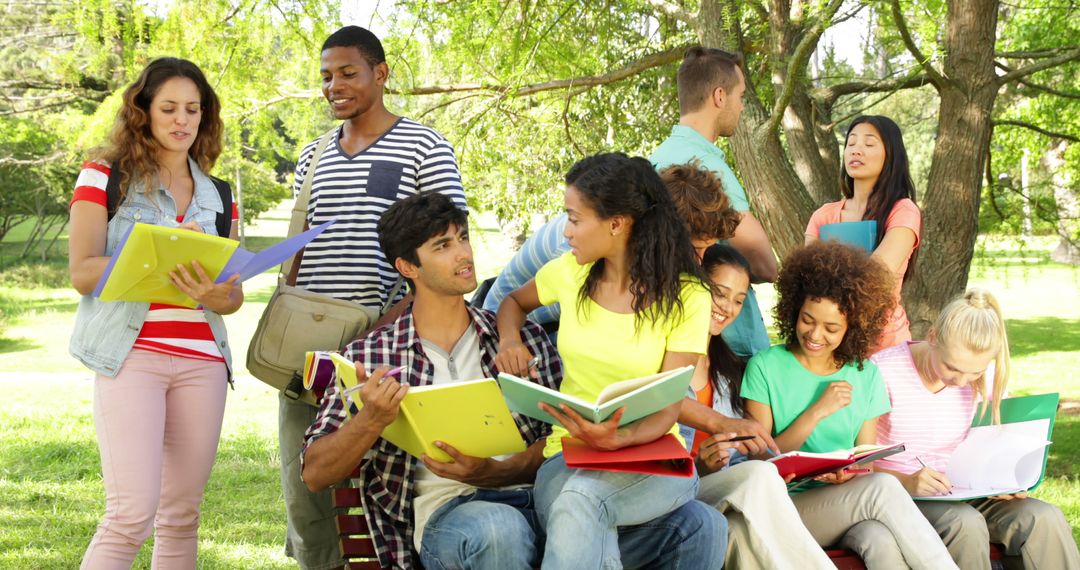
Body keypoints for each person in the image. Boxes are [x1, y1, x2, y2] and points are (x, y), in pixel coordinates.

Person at [280, 25, 467, 570]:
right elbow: (302, 242)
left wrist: (395, 320)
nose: (334, 85)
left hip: (390, 343)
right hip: (309, 347)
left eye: (347, 73)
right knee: (307, 487)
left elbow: (447, 241)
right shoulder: (312, 155)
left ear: (380, 74)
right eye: (326, 76)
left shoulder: (422, 147)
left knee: (390, 486)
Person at [301, 193, 561, 569]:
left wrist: (498, 471)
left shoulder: (522, 340)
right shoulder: (372, 357)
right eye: (443, 245)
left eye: (463, 238)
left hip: (537, 502)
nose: (463, 254)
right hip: (448, 517)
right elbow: (314, 473)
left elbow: (563, 440)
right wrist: (370, 419)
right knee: (498, 528)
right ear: (408, 267)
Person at [495, 153, 726, 569]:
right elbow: (512, 302)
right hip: (566, 458)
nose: (566, 232)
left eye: (575, 218)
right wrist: (510, 340)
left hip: (652, 460)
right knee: (699, 524)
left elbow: (669, 401)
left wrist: (621, 439)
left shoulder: (689, 296)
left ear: (617, 224)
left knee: (585, 503)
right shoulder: (571, 273)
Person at [68, 57, 243, 568]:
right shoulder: (105, 174)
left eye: (193, 109)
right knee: (129, 516)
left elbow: (230, 296)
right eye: (168, 108)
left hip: (202, 362)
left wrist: (215, 294)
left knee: (182, 515)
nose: (181, 120)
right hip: (133, 357)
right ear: (143, 111)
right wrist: (160, 254)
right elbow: (82, 271)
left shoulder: (221, 194)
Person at [741, 241, 958, 569]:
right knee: (882, 488)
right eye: (807, 320)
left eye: (831, 328)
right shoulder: (765, 366)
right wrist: (816, 411)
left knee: (878, 539)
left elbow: (865, 460)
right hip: (785, 507)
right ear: (793, 310)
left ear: (851, 327)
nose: (815, 335)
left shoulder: (865, 374)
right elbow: (762, 459)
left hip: (846, 502)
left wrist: (849, 473)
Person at [872, 288, 1080, 569]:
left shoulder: (987, 379)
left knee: (1043, 517)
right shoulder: (882, 371)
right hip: (903, 495)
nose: (961, 381)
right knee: (964, 524)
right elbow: (854, 464)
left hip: (967, 491)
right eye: (951, 367)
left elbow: (1000, 446)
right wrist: (907, 481)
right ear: (932, 336)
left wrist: (1011, 480)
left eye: (975, 372)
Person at [689, 244, 835, 569]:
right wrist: (701, 465)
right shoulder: (666, 362)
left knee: (740, 530)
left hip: (725, 495)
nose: (727, 307)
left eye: (739, 300)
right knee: (757, 477)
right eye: (719, 293)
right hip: (681, 490)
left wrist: (764, 456)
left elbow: (744, 457)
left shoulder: (727, 370)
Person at [650, 46, 778, 358]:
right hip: (727, 349)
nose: (742, 106)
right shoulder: (708, 169)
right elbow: (764, 265)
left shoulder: (656, 160)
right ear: (719, 96)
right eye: (741, 96)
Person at [805, 115, 921, 351]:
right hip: (830, 341)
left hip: (885, 345)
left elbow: (876, 275)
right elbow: (807, 279)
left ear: (891, 156)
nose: (856, 150)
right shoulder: (823, 216)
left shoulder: (902, 211)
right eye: (851, 143)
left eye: (869, 144)